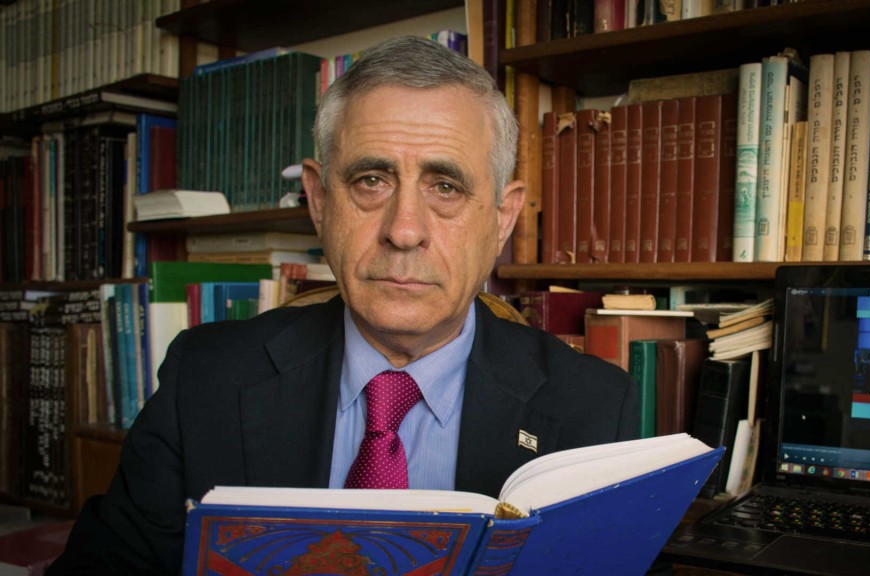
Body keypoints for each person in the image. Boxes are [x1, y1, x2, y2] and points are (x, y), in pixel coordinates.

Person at [47, 36, 639, 575]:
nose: (404, 231)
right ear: (319, 200)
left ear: (503, 218)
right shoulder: (203, 378)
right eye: (371, 181)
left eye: (446, 187)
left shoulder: (594, 410)